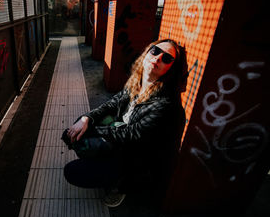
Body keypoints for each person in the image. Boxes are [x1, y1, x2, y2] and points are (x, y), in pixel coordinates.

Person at [61, 39, 188, 207]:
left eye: (167, 59)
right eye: (155, 51)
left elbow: (133, 134)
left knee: (72, 171)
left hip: (136, 158)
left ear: (171, 68)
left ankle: (122, 185)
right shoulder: (137, 81)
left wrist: (93, 132)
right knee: (80, 126)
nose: (157, 58)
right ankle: (101, 159)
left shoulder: (166, 103)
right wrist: (87, 119)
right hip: (122, 138)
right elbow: (111, 104)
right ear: (147, 52)